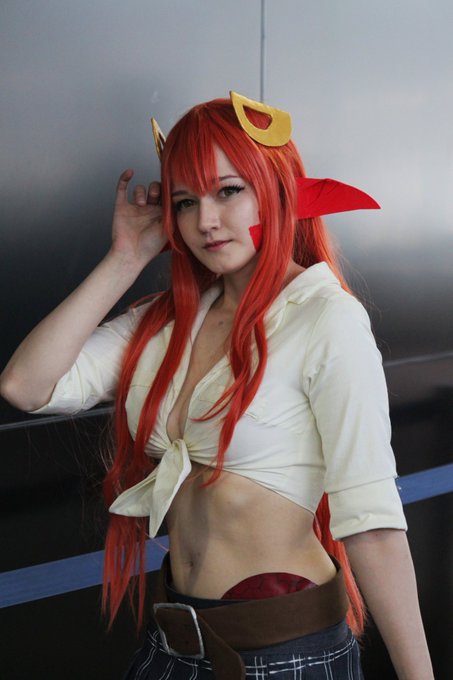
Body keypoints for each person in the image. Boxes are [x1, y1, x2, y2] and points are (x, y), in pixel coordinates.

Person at [0, 92, 434, 680]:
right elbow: (26, 385)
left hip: (286, 651)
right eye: (185, 201)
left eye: (228, 191)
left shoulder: (325, 318)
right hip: (176, 642)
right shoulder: (168, 320)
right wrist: (126, 257)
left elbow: (373, 527)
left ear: (276, 189)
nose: (205, 220)